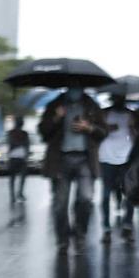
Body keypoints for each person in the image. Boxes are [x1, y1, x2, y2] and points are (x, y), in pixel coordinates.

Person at [40, 88, 102, 248]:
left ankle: (80, 233)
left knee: (86, 199)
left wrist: (89, 128)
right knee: (60, 204)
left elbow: (103, 132)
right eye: (71, 84)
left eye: (78, 84)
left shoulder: (92, 106)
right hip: (60, 160)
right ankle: (62, 238)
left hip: (85, 161)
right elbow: (43, 132)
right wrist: (56, 117)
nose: (75, 87)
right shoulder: (54, 105)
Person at [96, 92, 138, 242]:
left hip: (126, 158)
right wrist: (106, 127)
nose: (120, 101)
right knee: (106, 195)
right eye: (117, 98)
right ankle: (106, 228)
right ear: (112, 99)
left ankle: (127, 226)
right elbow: (97, 132)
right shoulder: (104, 113)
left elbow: (137, 136)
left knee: (130, 194)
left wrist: (133, 128)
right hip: (106, 157)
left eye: (122, 98)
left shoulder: (131, 115)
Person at [5, 114, 31, 204]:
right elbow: (26, 145)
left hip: (17, 157)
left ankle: (16, 193)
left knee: (16, 177)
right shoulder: (19, 133)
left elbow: (11, 144)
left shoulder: (15, 133)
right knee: (18, 176)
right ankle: (17, 193)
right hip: (18, 157)